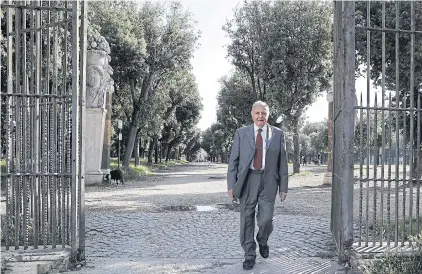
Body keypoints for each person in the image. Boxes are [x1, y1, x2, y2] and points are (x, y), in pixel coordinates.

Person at [227, 100, 288, 270]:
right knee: (246, 219)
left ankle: (262, 240)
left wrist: (283, 187)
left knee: (266, 219)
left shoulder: (278, 134)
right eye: (257, 113)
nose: (260, 116)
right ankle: (249, 255)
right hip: (247, 181)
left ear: (268, 115)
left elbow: (282, 162)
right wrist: (231, 185)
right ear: (252, 115)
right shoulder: (241, 133)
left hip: (269, 181)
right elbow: (234, 161)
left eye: (264, 113)